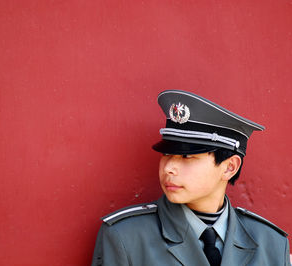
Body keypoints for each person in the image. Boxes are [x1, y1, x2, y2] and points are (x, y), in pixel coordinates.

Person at [91, 90, 290, 266]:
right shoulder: (126, 237)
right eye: (166, 154)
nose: (169, 168)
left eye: (187, 156)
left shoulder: (270, 243)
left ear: (230, 167)